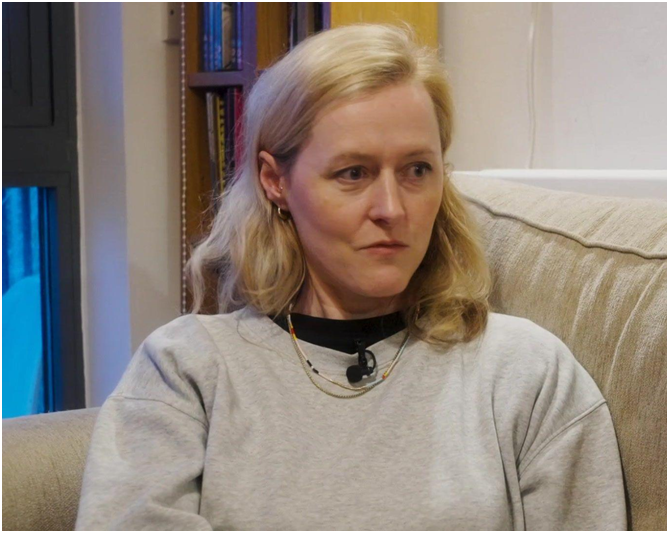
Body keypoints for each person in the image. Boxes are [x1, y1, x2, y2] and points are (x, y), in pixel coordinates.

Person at [74, 22, 629, 530]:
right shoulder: (186, 369)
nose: (391, 208)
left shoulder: (525, 373)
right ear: (275, 181)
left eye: (417, 170)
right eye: (353, 173)